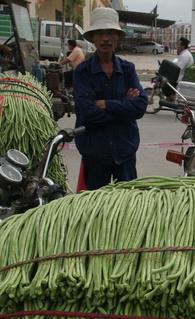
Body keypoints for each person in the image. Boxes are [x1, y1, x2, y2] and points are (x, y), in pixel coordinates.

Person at [73, 7, 147, 190]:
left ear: (117, 37)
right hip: (95, 153)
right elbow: (87, 114)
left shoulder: (128, 69)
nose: (105, 38)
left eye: (110, 33)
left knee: (128, 205)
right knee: (96, 209)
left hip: (125, 150)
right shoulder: (82, 72)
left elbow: (140, 106)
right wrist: (124, 106)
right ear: (92, 38)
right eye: (100, 33)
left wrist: (106, 104)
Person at [163, 37, 193, 101]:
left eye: (178, 45)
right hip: (178, 76)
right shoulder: (183, 54)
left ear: (183, 46)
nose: (177, 46)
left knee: (164, 85)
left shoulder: (185, 55)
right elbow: (174, 63)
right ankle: (171, 98)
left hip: (179, 78)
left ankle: (172, 98)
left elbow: (177, 69)